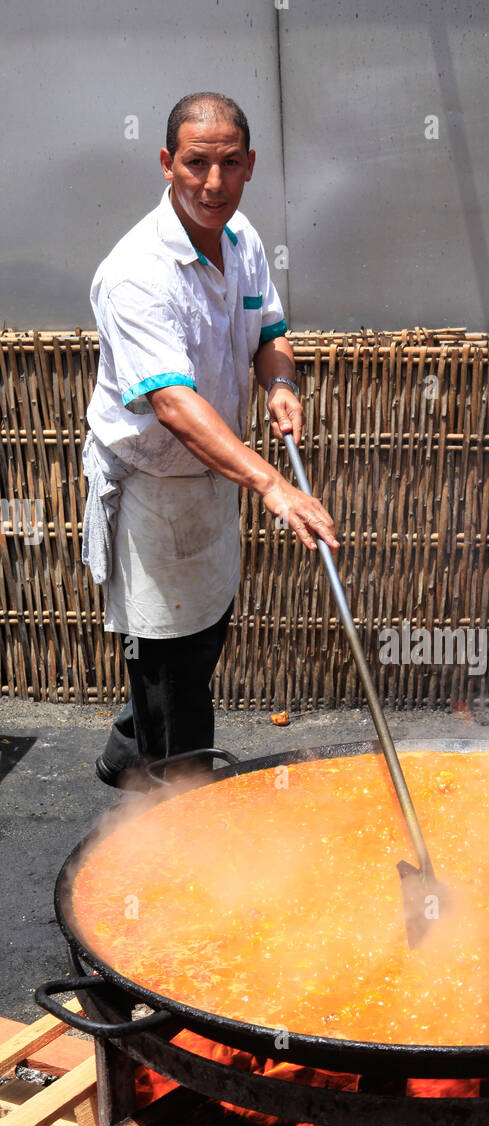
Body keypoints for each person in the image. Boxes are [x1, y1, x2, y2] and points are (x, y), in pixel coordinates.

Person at [82, 91, 338, 789]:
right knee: (173, 663)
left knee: (204, 635)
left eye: (229, 164)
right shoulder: (136, 273)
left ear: (250, 165)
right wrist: (272, 484)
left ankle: (129, 745)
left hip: (212, 477)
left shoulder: (242, 240)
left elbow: (269, 334)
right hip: (152, 490)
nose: (213, 183)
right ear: (168, 163)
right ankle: (178, 812)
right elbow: (171, 403)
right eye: (196, 164)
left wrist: (281, 384)